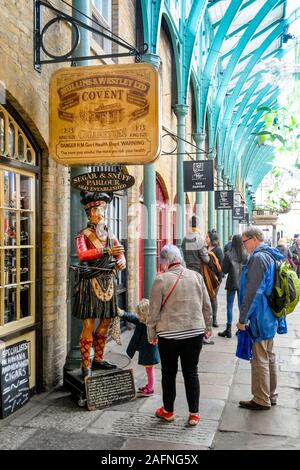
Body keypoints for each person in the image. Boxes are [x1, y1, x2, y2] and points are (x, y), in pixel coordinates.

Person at [148, 244, 212, 426]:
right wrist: (208, 326)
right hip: (195, 332)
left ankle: (168, 411)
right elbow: (206, 305)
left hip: (169, 334)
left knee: (168, 373)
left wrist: (151, 333)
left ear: (165, 261)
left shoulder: (161, 280)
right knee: (191, 372)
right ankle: (194, 414)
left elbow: (153, 311)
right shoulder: (196, 277)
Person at [72, 191, 126, 378]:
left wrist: (122, 260)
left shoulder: (110, 234)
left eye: (102, 208)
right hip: (90, 281)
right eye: (96, 209)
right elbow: (82, 255)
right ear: (89, 213)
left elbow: (120, 252)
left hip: (108, 281)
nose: (100, 212)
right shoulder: (82, 235)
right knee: (88, 324)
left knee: (106, 321)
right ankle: (85, 363)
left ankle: (99, 358)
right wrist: (106, 251)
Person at [237, 226, 287, 410]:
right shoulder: (271, 254)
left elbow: (253, 293)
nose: (244, 246)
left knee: (260, 358)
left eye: (244, 242)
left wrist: (242, 319)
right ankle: (271, 394)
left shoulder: (258, 258)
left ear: (253, 239)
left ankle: (261, 398)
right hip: (270, 315)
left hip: (260, 316)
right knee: (269, 355)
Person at [117, 299, 160, 397]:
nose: (137, 316)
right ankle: (149, 385)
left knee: (149, 370)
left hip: (150, 352)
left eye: (139, 314)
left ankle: (150, 389)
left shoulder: (151, 325)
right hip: (146, 351)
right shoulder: (141, 321)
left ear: (145, 315)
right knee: (148, 370)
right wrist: (122, 313)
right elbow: (132, 317)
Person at [218, 235, 248, 338]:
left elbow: (224, 270)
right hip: (242, 282)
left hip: (232, 282)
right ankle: (241, 328)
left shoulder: (228, 254)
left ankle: (229, 329)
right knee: (241, 306)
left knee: (229, 306)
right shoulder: (245, 253)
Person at [205, 231, 224, 329]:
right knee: (206, 298)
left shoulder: (218, 250)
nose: (206, 239)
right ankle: (207, 318)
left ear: (212, 239)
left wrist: (219, 279)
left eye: (207, 237)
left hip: (215, 278)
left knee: (213, 297)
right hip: (205, 277)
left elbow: (221, 265)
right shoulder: (204, 248)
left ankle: (214, 319)